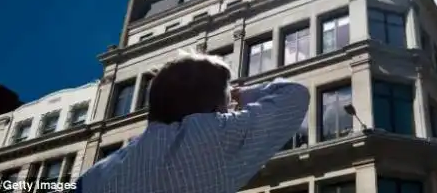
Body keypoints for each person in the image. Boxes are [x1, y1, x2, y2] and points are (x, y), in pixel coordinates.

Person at [76, 51, 310, 193]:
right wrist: (241, 93)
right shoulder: (214, 136)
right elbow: (295, 94)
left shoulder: (101, 172)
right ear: (215, 109)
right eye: (227, 105)